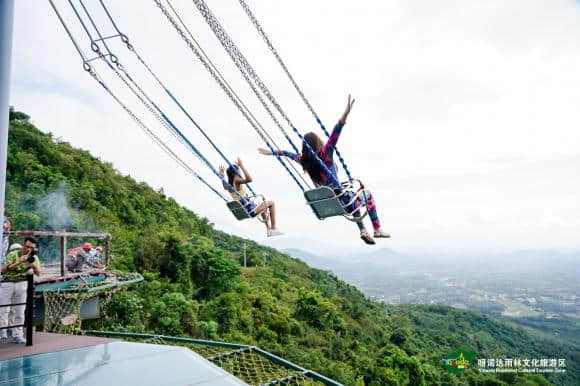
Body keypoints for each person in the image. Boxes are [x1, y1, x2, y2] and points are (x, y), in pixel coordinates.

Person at [258, 95, 390, 245]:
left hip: (328, 203)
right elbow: (335, 133)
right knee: (365, 194)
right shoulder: (326, 155)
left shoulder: (304, 161)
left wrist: (270, 152)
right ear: (317, 143)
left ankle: (363, 230)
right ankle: (377, 229)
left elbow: (287, 153)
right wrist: (345, 114)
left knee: (350, 195)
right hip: (343, 202)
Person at [219, 158, 283, 237]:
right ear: (235, 172)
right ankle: (273, 228)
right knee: (272, 203)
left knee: (261, 205)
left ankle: (269, 229)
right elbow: (249, 179)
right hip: (249, 210)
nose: (240, 171)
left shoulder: (229, 184)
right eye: (239, 170)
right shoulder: (237, 180)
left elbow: (224, 187)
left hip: (245, 209)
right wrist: (242, 166)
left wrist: (222, 176)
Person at [0, 237, 42, 343]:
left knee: (20, 310)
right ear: (23, 245)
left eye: (31, 248)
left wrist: (32, 265)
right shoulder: (12, 254)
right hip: (8, 282)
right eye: (27, 246)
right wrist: (18, 262)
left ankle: (17, 335)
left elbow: (39, 273)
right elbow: (3, 270)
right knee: (3, 309)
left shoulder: (34, 257)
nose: (29, 249)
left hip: (22, 283)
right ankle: (2, 333)